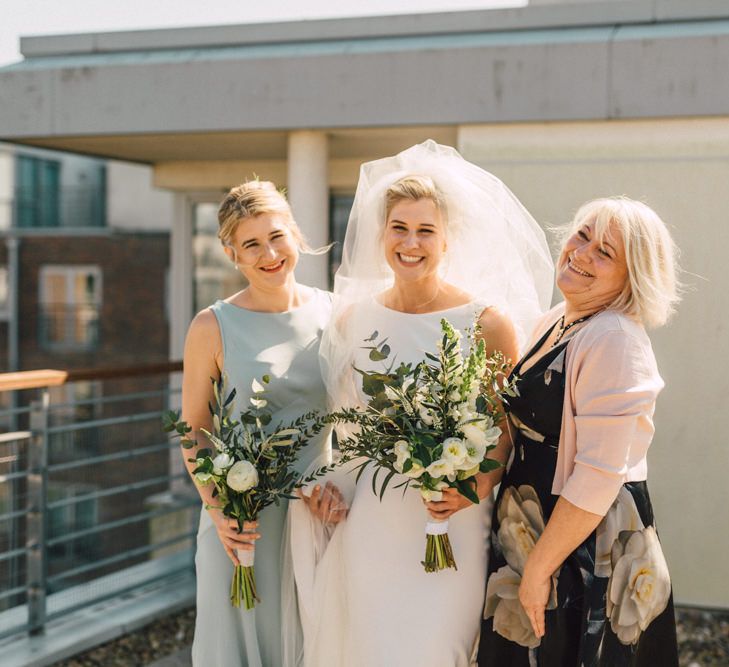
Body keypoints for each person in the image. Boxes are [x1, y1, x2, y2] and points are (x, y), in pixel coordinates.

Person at [284, 141, 553, 667]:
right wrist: (329, 489)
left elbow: (504, 429)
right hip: (371, 525)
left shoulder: (486, 324)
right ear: (381, 234)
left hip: (450, 521)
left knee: (439, 651)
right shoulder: (351, 320)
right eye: (399, 228)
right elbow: (348, 432)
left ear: (448, 239)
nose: (411, 243)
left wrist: (470, 488)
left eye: (425, 230)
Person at [478, 197, 680, 666]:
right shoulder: (557, 320)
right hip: (537, 527)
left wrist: (539, 568)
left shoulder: (614, 338)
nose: (582, 252)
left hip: (582, 541)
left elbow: (597, 475)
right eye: (582, 235)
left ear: (633, 278)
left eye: (605, 252)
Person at [181, 180, 332, 667]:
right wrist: (220, 511)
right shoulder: (212, 325)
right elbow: (195, 428)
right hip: (241, 524)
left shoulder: (335, 314)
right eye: (251, 244)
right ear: (232, 254)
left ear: (296, 235)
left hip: (319, 518)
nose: (269, 254)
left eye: (277, 236)